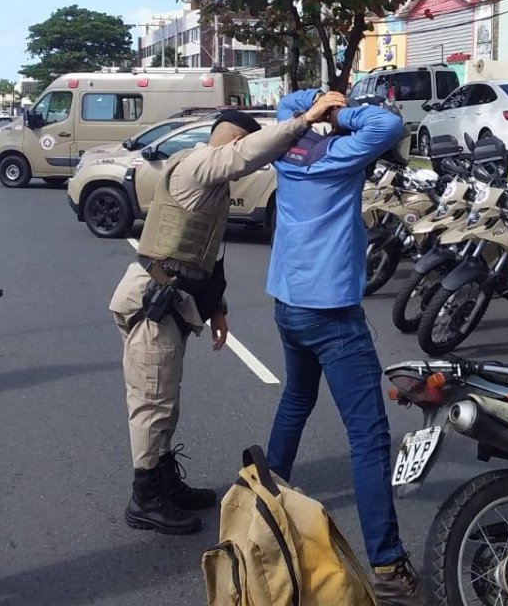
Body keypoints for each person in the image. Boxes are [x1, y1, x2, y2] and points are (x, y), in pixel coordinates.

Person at [110, 95, 346, 536]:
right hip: (151, 303)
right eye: (244, 153)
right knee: (151, 402)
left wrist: (217, 309)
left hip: (174, 300)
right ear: (234, 140)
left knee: (165, 399)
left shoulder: (212, 185)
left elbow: (210, 253)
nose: (248, 171)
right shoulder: (198, 164)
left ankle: (164, 481)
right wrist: (304, 120)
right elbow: (244, 155)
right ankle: (145, 498)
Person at [263, 90, 422, 606]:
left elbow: (288, 105)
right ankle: (388, 565)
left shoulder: (286, 149)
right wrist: (342, 111)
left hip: (289, 303)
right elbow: (387, 126)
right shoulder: (338, 156)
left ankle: (266, 503)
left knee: (296, 399)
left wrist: (314, 107)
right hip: (331, 314)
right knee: (369, 437)